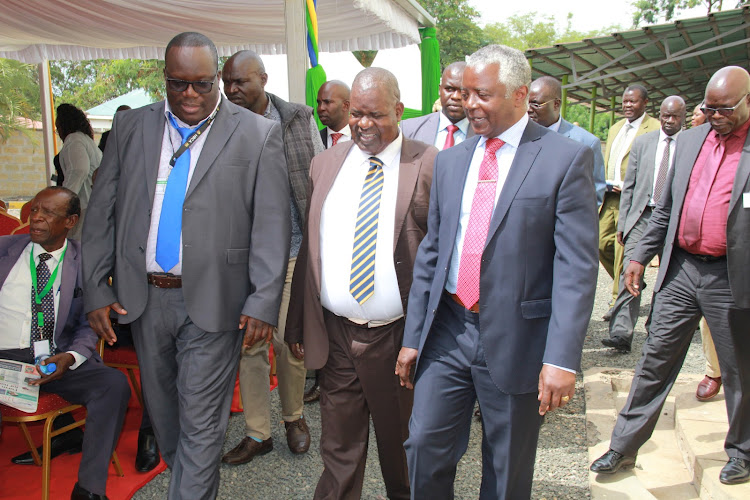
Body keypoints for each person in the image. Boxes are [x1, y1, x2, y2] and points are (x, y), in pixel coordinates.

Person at [82, 32, 290, 500]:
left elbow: (272, 225)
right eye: (179, 85)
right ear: (165, 79)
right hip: (142, 299)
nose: (190, 96)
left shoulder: (257, 134)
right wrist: (96, 289)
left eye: (201, 84)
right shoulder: (132, 128)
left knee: (201, 421)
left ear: (218, 78)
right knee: (168, 418)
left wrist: (263, 299)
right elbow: (101, 215)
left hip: (217, 301)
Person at [396, 44, 599, 499]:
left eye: (482, 94)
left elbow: (577, 268)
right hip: (449, 328)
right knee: (424, 445)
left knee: (506, 470)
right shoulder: (450, 161)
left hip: (518, 338)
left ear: (521, 94)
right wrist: (413, 338)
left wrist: (561, 358)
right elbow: (432, 253)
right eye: (466, 94)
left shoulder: (563, 160)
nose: (469, 105)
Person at [590, 66, 750, 486]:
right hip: (682, 270)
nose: (715, 116)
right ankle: (622, 448)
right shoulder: (691, 140)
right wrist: (639, 256)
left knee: (738, 369)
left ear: (748, 100)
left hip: (731, 277)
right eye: (709, 108)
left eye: (725, 109)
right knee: (654, 359)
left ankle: (741, 451)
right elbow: (665, 208)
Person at [285, 67, 438, 500]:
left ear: (399, 111)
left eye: (375, 114)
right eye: (357, 114)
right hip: (335, 337)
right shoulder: (325, 163)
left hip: (396, 340)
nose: (363, 124)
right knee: (339, 450)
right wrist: (297, 323)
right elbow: (311, 249)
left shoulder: (427, 163)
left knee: (402, 451)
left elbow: (439, 255)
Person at [219, 49, 320, 464]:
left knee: (287, 339)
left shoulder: (297, 117)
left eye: (240, 81)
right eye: (227, 83)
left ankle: (294, 417)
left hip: (294, 250)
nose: (232, 89)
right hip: (244, 256)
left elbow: (317, 176)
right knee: (250, 343)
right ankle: (258, 432)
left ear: (263, 78)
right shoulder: (221, 124)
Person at [0, 187, 130, 500]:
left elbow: (91, 323)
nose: (37, 219)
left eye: (49, 213)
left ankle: (88, 489)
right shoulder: (5, 249)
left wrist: (70, 358)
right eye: (34, 211)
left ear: (70, 221)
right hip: (3, 356)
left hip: (55, 357)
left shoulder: (86, 261)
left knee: (113, 384)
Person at [603, 96, 686, 353]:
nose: (669, 121)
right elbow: (630, 186)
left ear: (684, 118)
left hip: (674, 218)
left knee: (669, 277)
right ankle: (621, 334)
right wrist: (623, 224)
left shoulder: (691, 144)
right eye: (664, 116)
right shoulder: (644, 143)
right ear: (658, 114)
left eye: (674, 117)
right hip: (642, 217)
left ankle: (657, 329)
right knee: (630, 269)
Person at [600, 86, 661, 320]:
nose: (627, 105)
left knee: (622, 248)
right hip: (610, 195)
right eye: (624, 101)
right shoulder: (616, 128)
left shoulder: (654, 128)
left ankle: (618, 301)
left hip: (634, 199)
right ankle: (631, 280)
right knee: (600, 243)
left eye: (633, 102)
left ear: (645, 103)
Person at [527, 75, 606, 207]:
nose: (529, 109)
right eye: (526, 103)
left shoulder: (586, 142)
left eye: (536, 104)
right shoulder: (520, 138)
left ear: (556, 104)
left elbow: (594, 195)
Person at [55, 103, 102, 240]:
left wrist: (62, 203)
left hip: (82, 207)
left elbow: (78, 170)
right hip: (91, 206)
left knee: (77, 251)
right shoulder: (86, 140)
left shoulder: (74, 139)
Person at [401, 62, 473, 149]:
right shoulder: (409, 129)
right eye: (449, 89)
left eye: (463, 91)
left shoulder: (486, 135)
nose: (455, 96)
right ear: (440, 90)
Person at [317, 80, 352, 148]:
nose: (320, 108)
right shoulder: (314, 141)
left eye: (327, 102)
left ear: (346, 106)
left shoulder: (365, 140)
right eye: (319, 103)